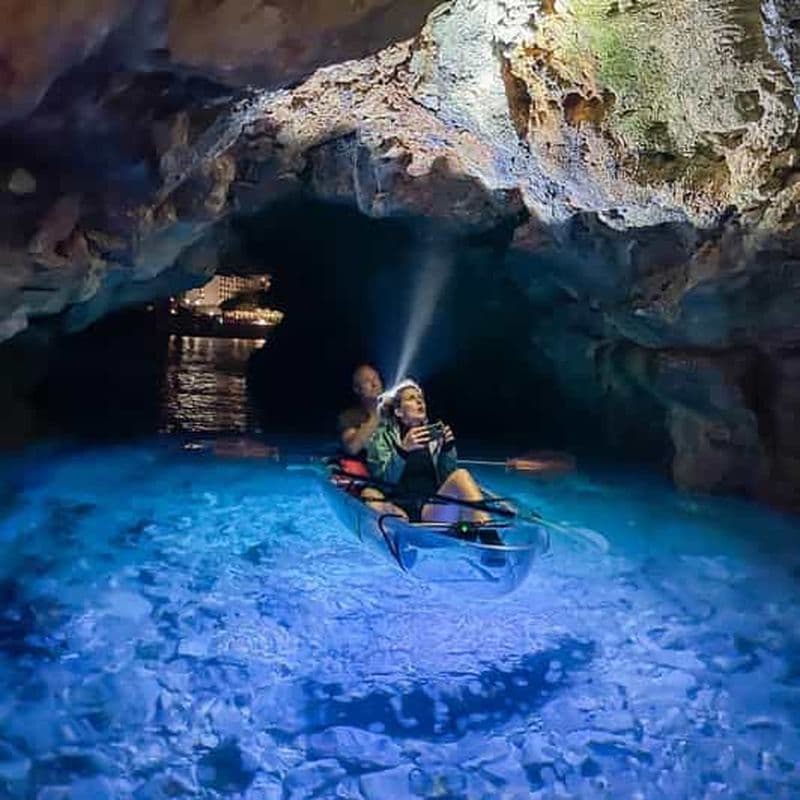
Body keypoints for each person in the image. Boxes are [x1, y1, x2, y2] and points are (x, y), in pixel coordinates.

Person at [367, 379, 491, 525]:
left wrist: (447, 450)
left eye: (421, 399)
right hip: (398, 510)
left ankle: (491, 540)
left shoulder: (434, 436)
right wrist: (403, 451)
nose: (419, 402)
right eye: (411, 398)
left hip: (430, 509)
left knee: (461, 475)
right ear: (398, 411)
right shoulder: (382, 436)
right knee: (370, 495)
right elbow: (383, 482)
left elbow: (446, 479)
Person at [338, 364, 383, 457]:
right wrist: (376, 415)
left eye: (376, 378)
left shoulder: (395, 410)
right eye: (367, 381)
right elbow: (352, 448)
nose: (374, 384)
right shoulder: (349, 417)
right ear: (357, 389)